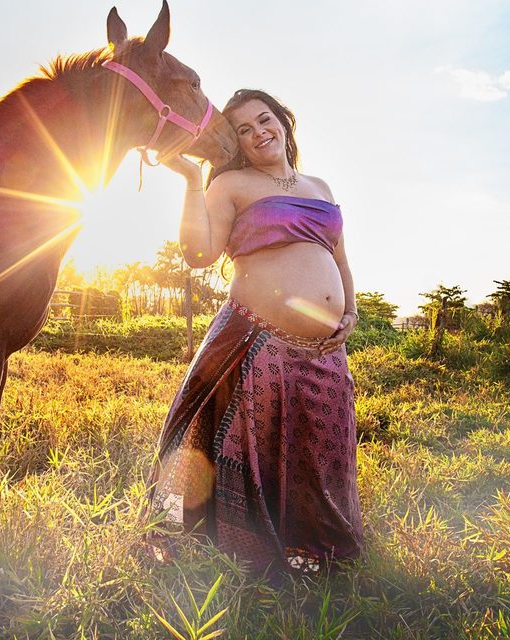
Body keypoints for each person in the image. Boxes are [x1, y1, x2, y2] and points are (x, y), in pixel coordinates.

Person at [149, 89, 363, 574]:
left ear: (284, 122)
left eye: (264, 120)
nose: (257, 132)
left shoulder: (320, 186)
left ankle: (313, 552)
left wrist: (350, 313)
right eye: (243, 130)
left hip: (325, 351)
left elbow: (340, 259)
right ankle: (238, 553)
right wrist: (188, 179)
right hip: (256, 340)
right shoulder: (232, 186)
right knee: (240, 449)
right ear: (237, 143)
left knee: (320, 452)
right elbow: (199, 255)